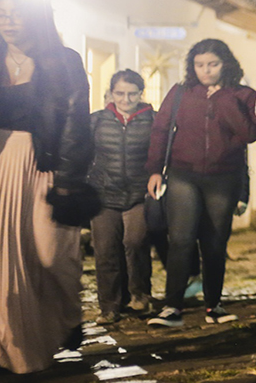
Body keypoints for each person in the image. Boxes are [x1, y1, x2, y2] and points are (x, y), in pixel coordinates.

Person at [0, 0, 91, 373]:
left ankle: (67, 319)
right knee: (7, 265)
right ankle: (16, 355)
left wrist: (69, 178)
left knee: (53, 257)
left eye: (16, 13)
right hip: (2, 163)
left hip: (48, 165)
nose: (8, 21)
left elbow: (77, 122)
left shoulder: (63, 61)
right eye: (2, 13)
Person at [145, 39, 256, 328]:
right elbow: (161, 130)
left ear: (226, 64)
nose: (206, 71)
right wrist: (154, 170)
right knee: (182, 240)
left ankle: (214, 305)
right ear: (192, 66)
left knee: (214, 243)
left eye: (212, 64)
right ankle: (172, 306)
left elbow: (250, 132)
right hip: (183, 174)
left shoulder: (244, 95)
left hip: (223, 178)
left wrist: (223, 99)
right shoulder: (180, 93)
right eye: (199, 65)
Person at [88, 69, 156, 324]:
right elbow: (84, 154)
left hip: (139, 193)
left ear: (141, 93)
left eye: (131, 93)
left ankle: (139, 295)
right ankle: (109, 306)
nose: (125, 99)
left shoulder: (153, 121)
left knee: (135, 242)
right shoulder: (96, 121)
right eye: (120, 93)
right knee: (105, 250)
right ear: (111, 93)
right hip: (103, 193)